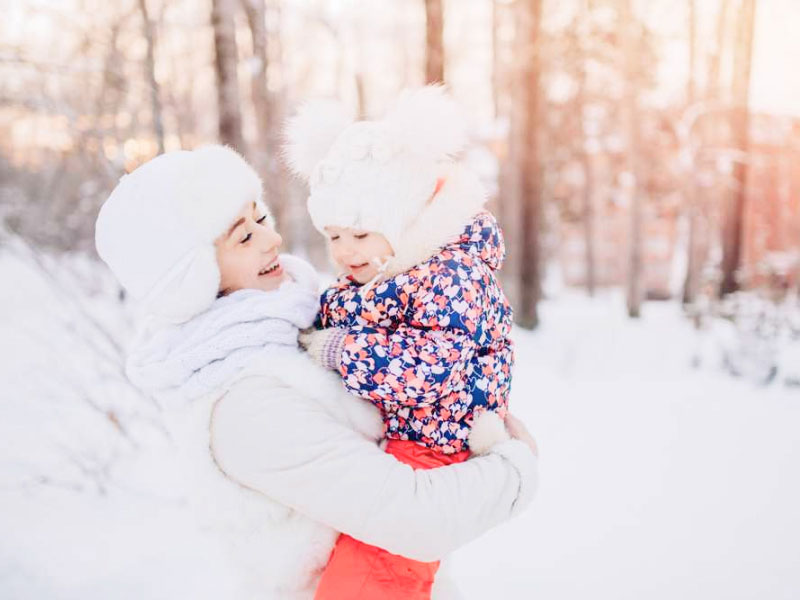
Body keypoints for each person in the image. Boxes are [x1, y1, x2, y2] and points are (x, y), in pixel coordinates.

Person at [94, 144, 538, 599]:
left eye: (260, 218)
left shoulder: (291, 324)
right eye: (243, 237)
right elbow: (414, 517)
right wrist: (515, 467)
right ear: (194, 276)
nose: (272, 240)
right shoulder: (244, 402)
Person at [287, 85, 516, 599]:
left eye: (361, 234)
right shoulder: (390, 273)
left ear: (406, 219)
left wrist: (340, 351)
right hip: (400, 442)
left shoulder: (450, 276)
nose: (345, 251)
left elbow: (428, 369)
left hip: (436, 446)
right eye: (335, 235)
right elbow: (351, 311)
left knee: (372, 578)